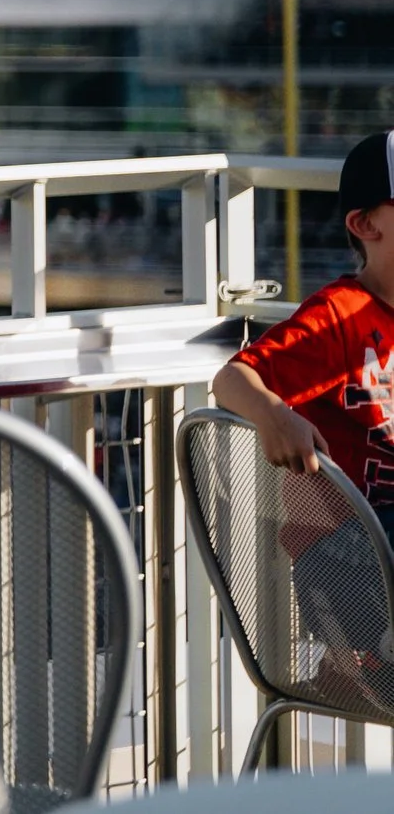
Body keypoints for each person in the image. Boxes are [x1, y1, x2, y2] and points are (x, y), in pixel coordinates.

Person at [214, 130, 394, 680]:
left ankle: (372, 671)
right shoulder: (341, 315)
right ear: (366, 226)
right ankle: (373, 668)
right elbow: (232, 379)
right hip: (346, 564)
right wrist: (275, 414)